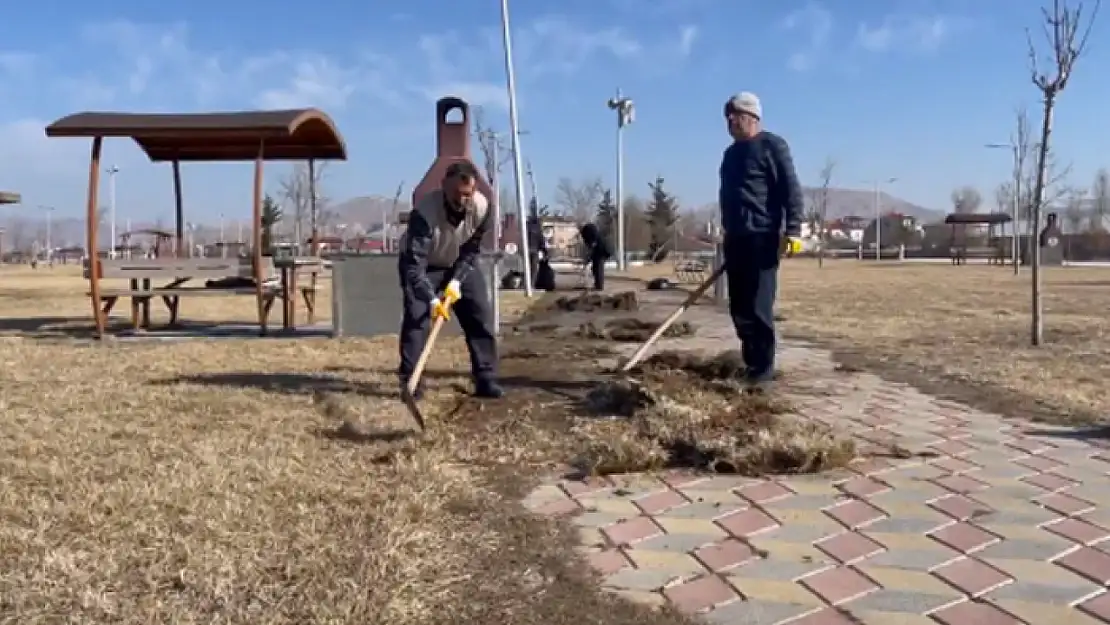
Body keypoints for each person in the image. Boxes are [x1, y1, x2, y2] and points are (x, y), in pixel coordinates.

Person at [718, 92, 804, 391]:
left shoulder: (772, 146)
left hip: (762, 237)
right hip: (736, 238)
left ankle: (764, 370)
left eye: (736, 115)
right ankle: (751, 363)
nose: (730, 121)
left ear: (753, 117)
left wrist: (793, 230)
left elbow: (790, 189)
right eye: (727, 116)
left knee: (758, 305)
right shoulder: (730, 155)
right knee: (738, 307)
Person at [398, 161, 503, 399]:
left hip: (458, 262)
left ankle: (485, 377)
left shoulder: (483, 209)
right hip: (424, 267)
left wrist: (456, 281)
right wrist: (433, 301)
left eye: (468, 194)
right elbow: (415, 267)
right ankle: (411, 383)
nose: (462, 200)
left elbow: (472, 250)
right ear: (444, 185)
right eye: (457, 194)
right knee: (417, 320)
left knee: (480, 316)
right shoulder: (424, 214)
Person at [578, 222, 612, 290]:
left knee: (598, 267)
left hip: (602, 250)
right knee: (595, 268)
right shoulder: (587, 231)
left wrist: (588, 257)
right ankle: (597, 284)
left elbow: (592, 244)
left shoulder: (588, 230)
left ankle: (599, 286)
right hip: (600, 250)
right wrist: (588, 257)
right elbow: (590, 246)